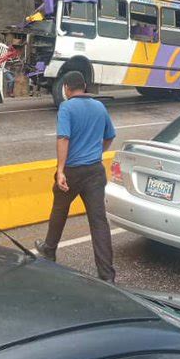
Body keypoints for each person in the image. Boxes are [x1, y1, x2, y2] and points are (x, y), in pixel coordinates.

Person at [35, 71, 116, 283]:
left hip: (72, 171)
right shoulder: (99, 107)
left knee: (59, 211)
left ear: (67, 89)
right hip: (95, 171)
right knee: (99, 222)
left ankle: (49, 250)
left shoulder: (67, 107)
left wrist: (60, 169)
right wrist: (97, 152)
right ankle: (107, 275)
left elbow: (63, 138)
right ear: (85, 87)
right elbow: (110, 136)